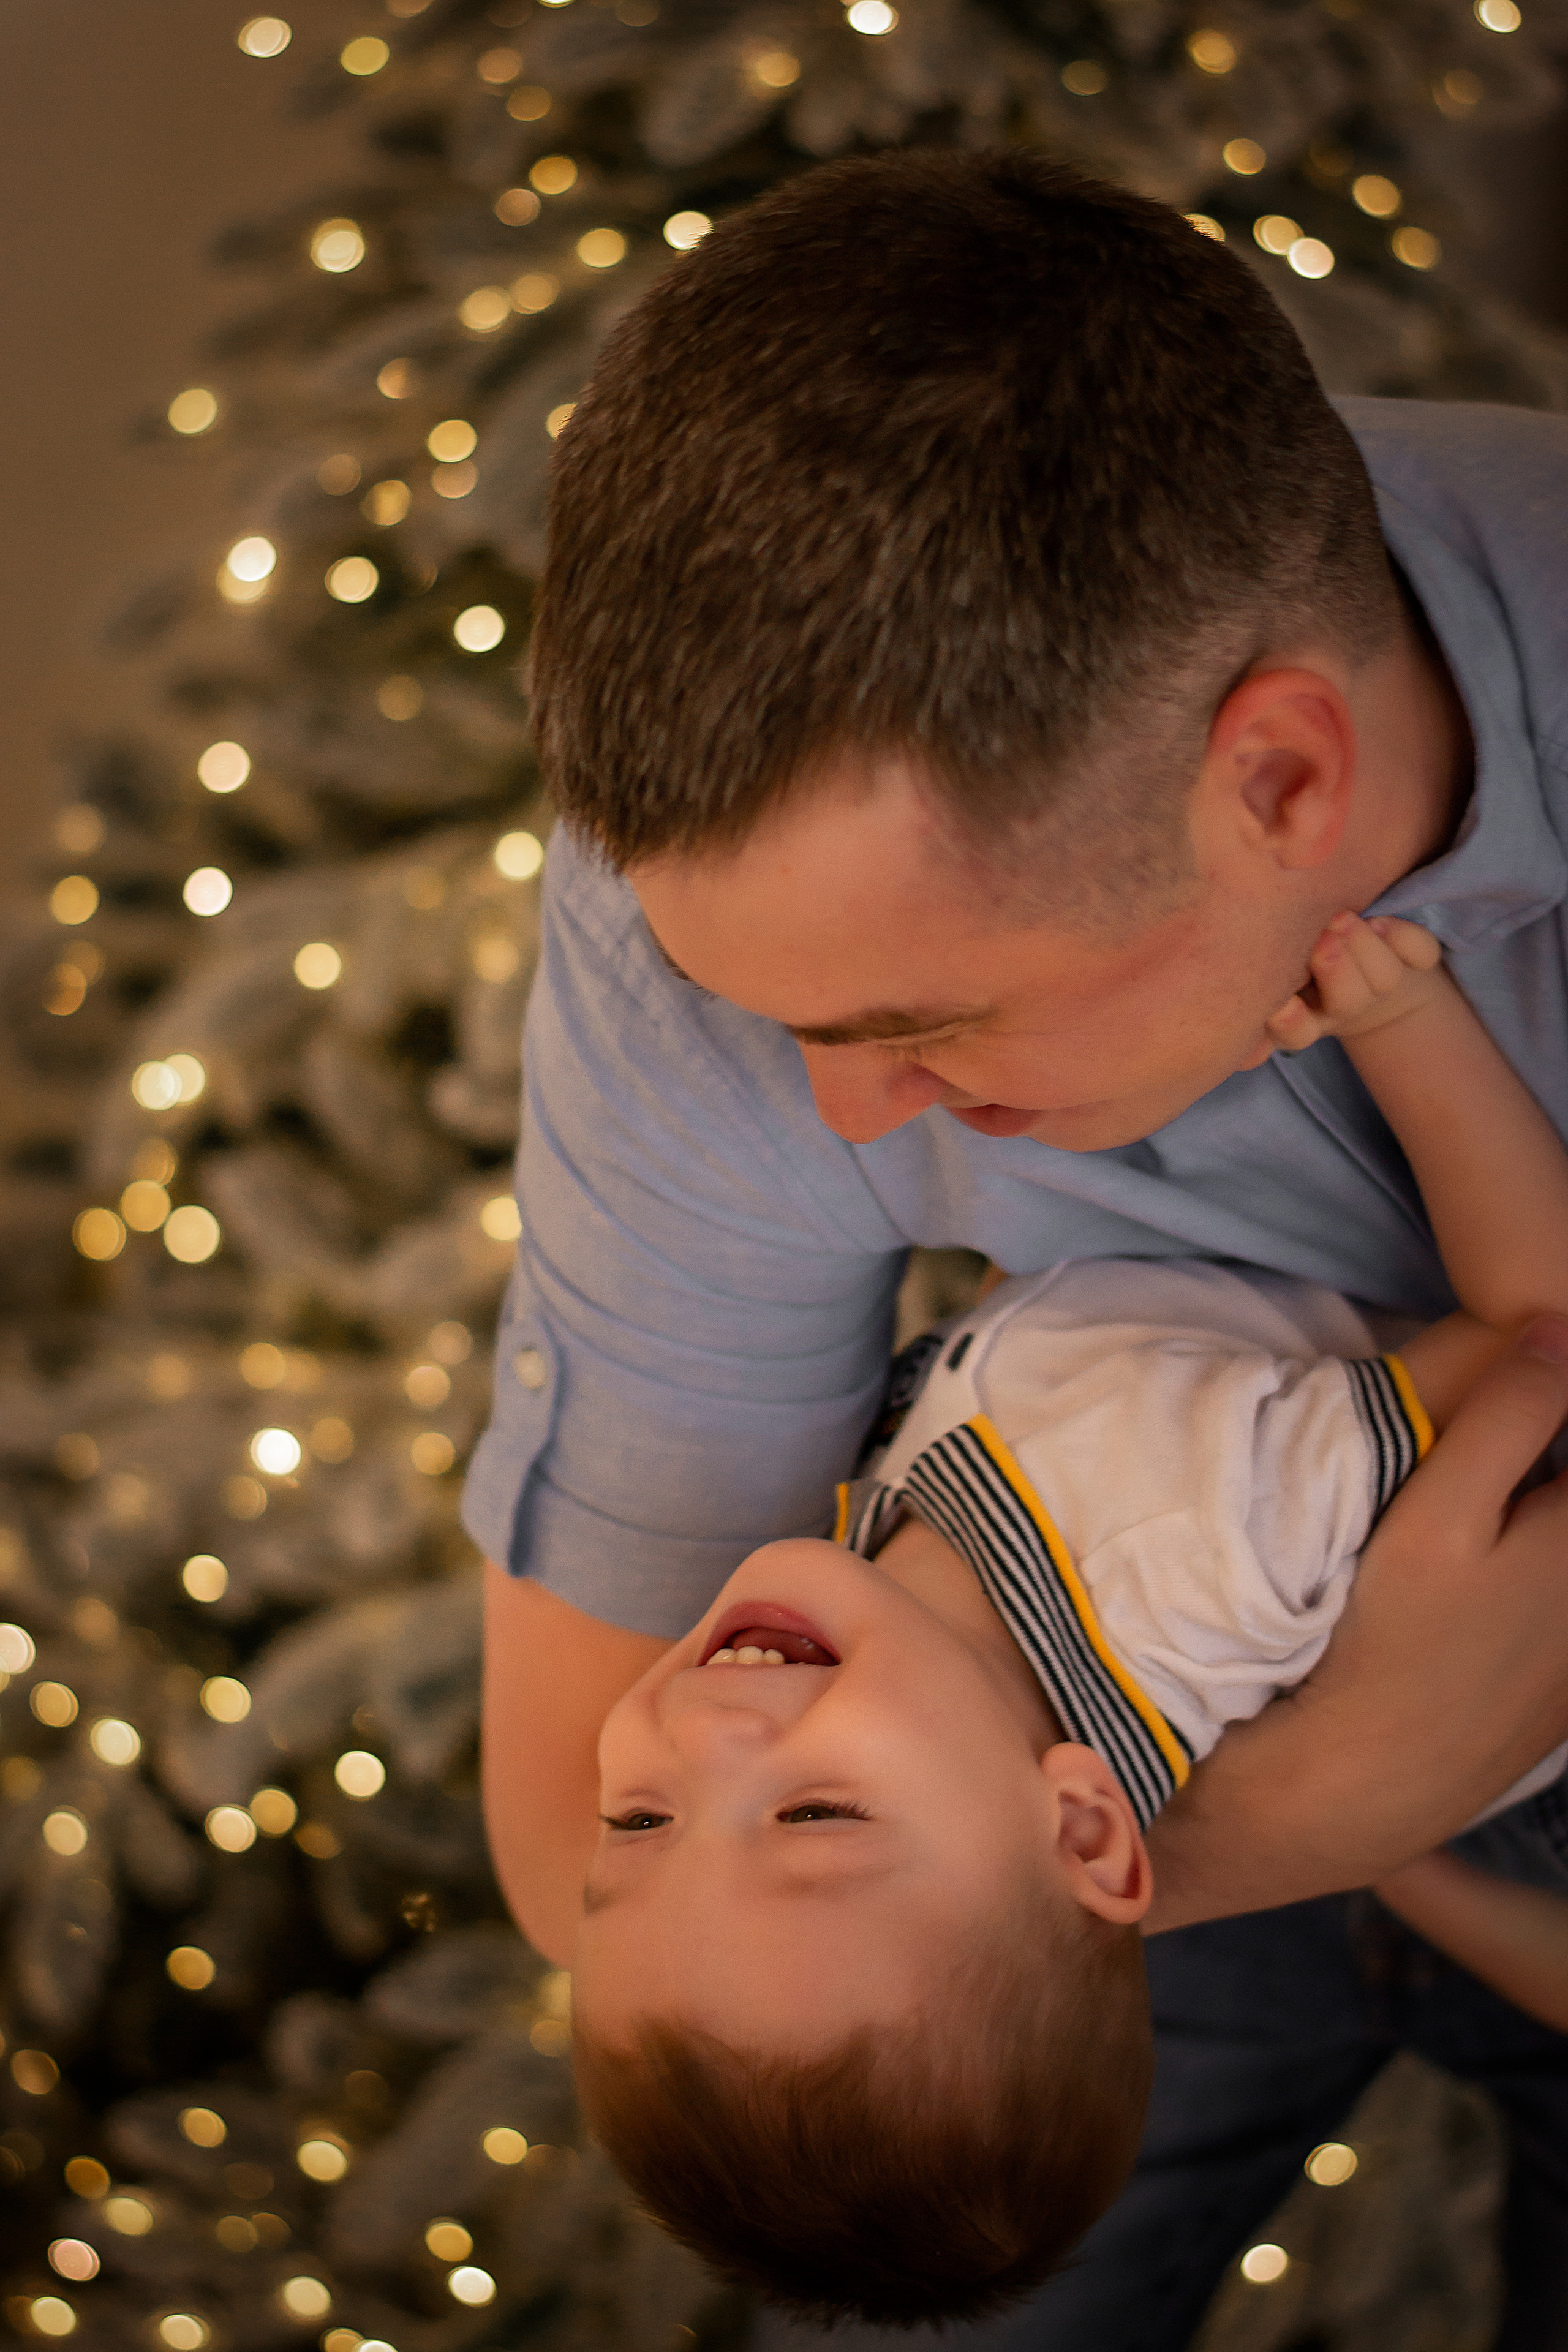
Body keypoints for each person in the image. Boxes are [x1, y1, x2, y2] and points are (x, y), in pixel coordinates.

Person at [470, 148, 1568, 2345]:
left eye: (928, 1027)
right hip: (1027, 1829)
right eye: (794, 1024)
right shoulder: (727, 907)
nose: (843, 1110)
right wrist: (1346, 1793)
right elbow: (572, 1826)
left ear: (1281, 784)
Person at [561, 910, 1568, 2325]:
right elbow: (1540, 1328)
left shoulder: (901, 1591)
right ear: (1085, 1827)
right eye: (813, 1819)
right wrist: (1402, 1024)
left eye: (640, 1824)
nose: (712, 1731)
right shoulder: (1195, 1524)